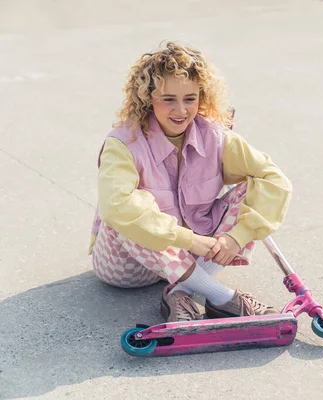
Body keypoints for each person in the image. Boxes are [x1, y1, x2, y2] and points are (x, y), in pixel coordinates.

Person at [88, 42, 292, 322]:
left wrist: (236, 237)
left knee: (254, 187)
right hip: (129, 267)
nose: (181, 110)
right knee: (128, 208)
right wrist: (189, 240)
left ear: (201, 96)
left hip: (193, 256)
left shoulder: (214, 136)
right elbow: (117, 208)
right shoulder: (124, 143)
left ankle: (181, 291)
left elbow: (273, 179)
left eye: (190, 98)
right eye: (168, 99)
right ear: (148, 98)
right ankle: (223, 298)